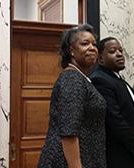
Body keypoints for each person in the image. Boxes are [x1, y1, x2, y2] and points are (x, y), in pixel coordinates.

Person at [38, 24, 106, 168]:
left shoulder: (81, 78)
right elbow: (69, 132)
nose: (92, 48)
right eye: (85, 43)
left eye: (94, 44)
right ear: (71, 51)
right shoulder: (72, 78)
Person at [90, 37, 134, 168]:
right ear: (100, 58)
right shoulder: (99, 80)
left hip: (132, 153)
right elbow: (115, 120)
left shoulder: (118, 79)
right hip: (118, 155)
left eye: (120, 50)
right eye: (112, 51)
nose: (119, 54)